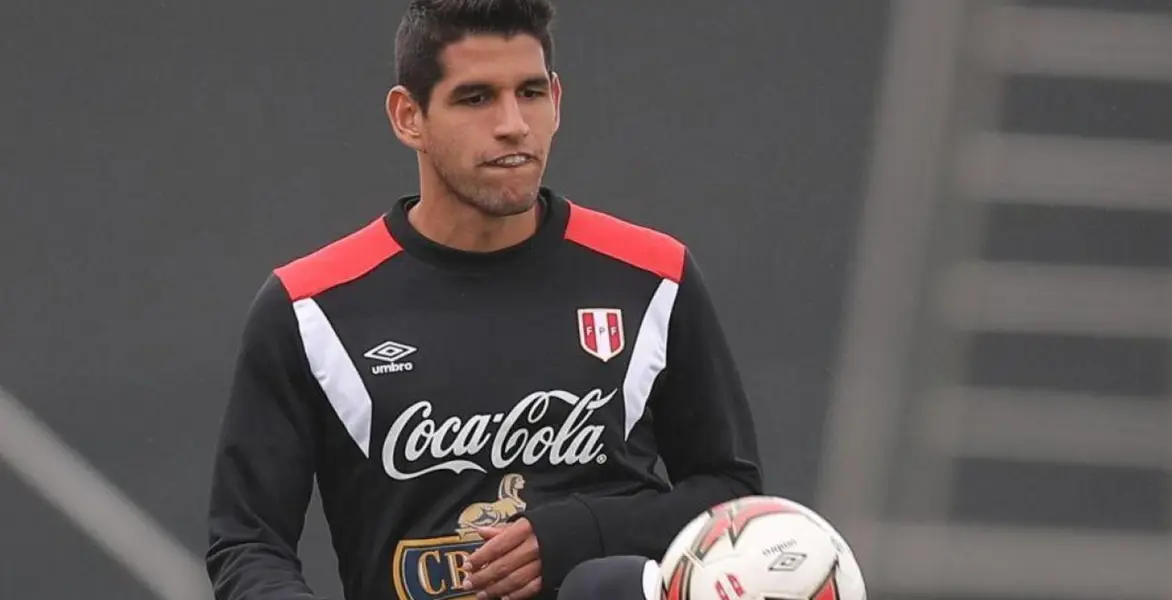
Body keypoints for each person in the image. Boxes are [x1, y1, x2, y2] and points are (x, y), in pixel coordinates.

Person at [204, 0, 763, 598]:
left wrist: (582, 533)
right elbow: (247, 543)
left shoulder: (654, 276)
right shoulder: (309, 307)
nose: (513, 124)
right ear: (408, 116)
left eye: (529, 93)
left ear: (557, 100)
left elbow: (733, 498)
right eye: (476, 98)